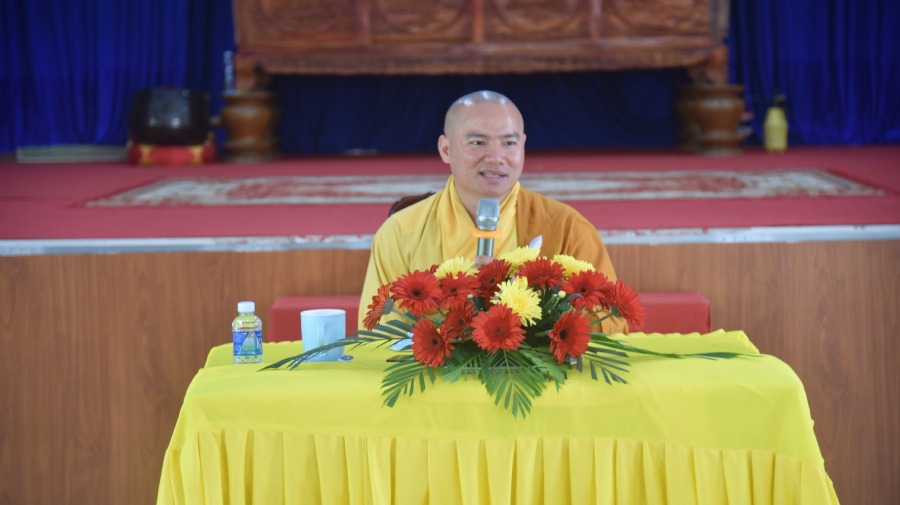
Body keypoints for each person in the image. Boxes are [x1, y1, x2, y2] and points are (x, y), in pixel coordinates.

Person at [358, 90, 627, 334]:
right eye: (478, 142)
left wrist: (530, 308)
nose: (496, 157)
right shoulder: (401, 232)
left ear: (523, 146)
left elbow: (613, 323)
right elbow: (378, 333)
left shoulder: (568, 228)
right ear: (446, 149)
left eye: (509, 143)